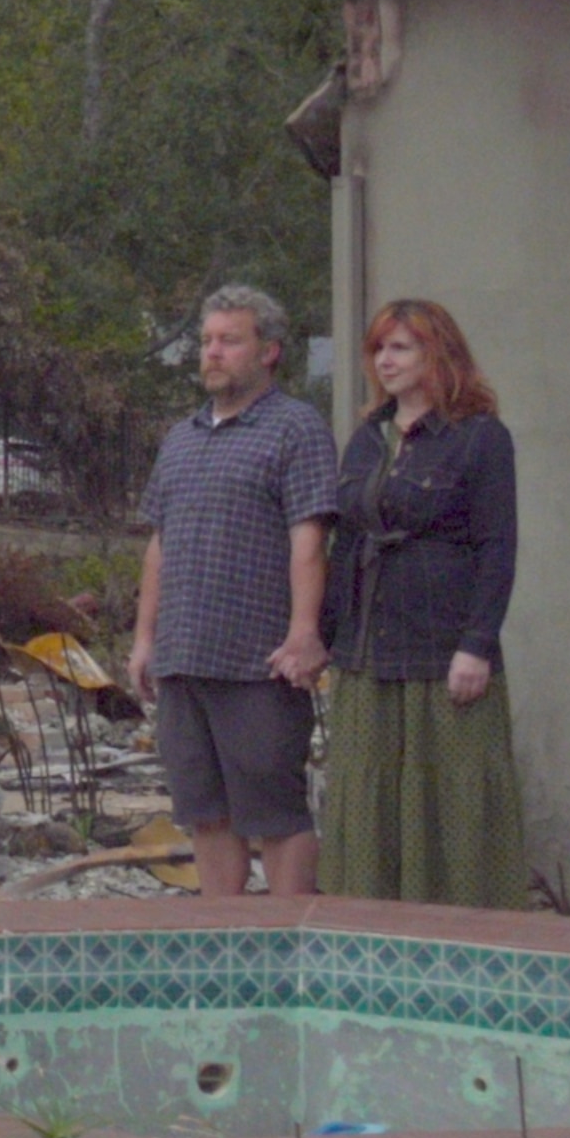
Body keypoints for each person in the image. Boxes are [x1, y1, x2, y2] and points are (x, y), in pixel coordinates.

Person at [127, 285, 339, 897]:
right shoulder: (181, 439)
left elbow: (309, 540)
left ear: (269, 351)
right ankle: (224, 956)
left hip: (258, 665)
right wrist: (145, 641)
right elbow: (159, 546)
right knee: (206, 815)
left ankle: (288, 952)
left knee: (275, 815)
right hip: (182, 659)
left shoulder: (295, 429)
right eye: (207, 340)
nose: (212, 353)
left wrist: (304, 633)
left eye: (230, 340)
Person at [318, 299, 527, 909]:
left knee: (452, 796)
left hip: (442, 647)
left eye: (401, 347)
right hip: (366, 650)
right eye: (379, 349)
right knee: (367, 792)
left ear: (440, 354)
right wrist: (325, 638)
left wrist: (476, 645)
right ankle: (370, 928)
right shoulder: (366, 439)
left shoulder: (481, 438)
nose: (385, 360)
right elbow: (345, 543)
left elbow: (497, 547)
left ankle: (464, 936)